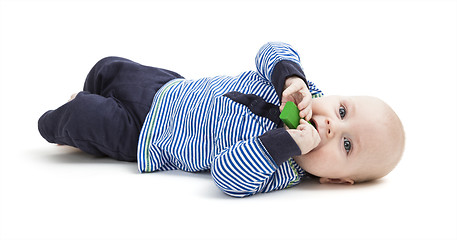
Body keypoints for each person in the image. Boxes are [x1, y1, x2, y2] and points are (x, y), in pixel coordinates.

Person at [38, 42, 405, 197]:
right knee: (109, 67)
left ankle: (64, 126)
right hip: (169, 88)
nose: (330, 125)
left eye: (345, 144)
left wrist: (285, 144)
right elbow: (269, 50)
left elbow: (226, 175)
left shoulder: (279, 170)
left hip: (146, 136)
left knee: (86, 117)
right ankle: (92, 92)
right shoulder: (303, 92)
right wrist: (291, 77)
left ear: (334, 180)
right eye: (342, 112)